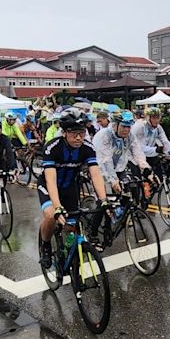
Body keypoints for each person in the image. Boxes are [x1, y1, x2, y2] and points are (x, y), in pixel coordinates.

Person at [38, 108, 108, 268]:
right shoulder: (52, 147)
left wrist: (103, 200)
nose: (78, 138)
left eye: (82, 133)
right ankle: (46, 245)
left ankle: (66, 253)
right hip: (49, 187)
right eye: (74, 134)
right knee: (50, 216)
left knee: (71, 226)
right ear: (64, 133)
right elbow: (50, 180)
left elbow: (96, 175)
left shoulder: (87, 148)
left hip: (70, 187)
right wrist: (57, 207)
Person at [93, 109, 152, 193]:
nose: (127, 130)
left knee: (129, 190)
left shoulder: (129, 136)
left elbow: (137, 152)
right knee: (108, 198)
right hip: (101, 167)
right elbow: (106, 159)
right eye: (124, 126)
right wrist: (113, 180)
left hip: (119, 166)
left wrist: (146, 169)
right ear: (115, 125)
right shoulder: (105, 135)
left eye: (129, 127)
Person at [131, 106, 170, 181]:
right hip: (137, 155)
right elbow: (137, 146)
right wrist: (155, 149)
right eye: (154, 118)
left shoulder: (158, 128)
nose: (156, 120)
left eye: (158, 118)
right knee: (141, 179)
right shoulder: (139, 126)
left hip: (151, 153)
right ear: (148, 118)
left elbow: (164, 140)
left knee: (160, 176)